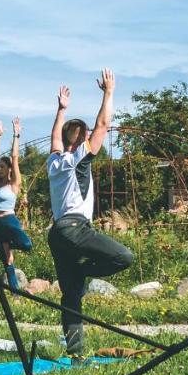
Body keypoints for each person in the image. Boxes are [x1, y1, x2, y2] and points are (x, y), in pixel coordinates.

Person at [46, 70, 134, 358]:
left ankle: (75, 353)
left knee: (71, 295)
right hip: (75, 228)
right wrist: (108, 93)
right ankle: (84, 271)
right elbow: (104, 124)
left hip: (57, 233)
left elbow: (55, 139)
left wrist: (61, 110)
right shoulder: (77, 160)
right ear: (82, 139)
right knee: (124, 257)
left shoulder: (54, 161)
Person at [0, 117, 33, 291]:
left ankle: (12, 241)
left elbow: (15, 157)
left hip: (9, 221)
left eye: (2, 166)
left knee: (27, 245)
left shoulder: (14, 183)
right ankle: (15, 292)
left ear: (8, 168)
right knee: (7, 260)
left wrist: (16, 135)